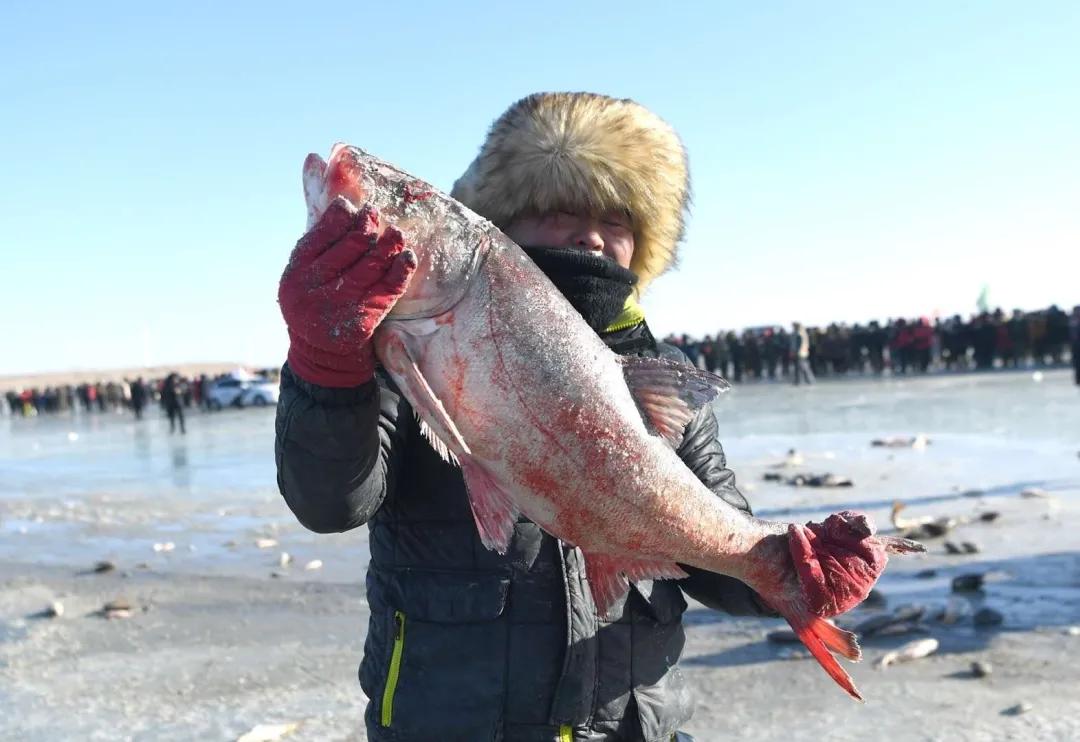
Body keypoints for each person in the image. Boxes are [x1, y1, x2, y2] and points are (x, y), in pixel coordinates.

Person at [276, 92, 772, 741]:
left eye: (616, 218)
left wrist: (785, 570)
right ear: (501, 223)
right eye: (558, 209)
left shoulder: (658, 373)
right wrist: (325, 364)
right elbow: (330, 504)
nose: (590, 235)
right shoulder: (406, 348)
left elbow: (721, 559)